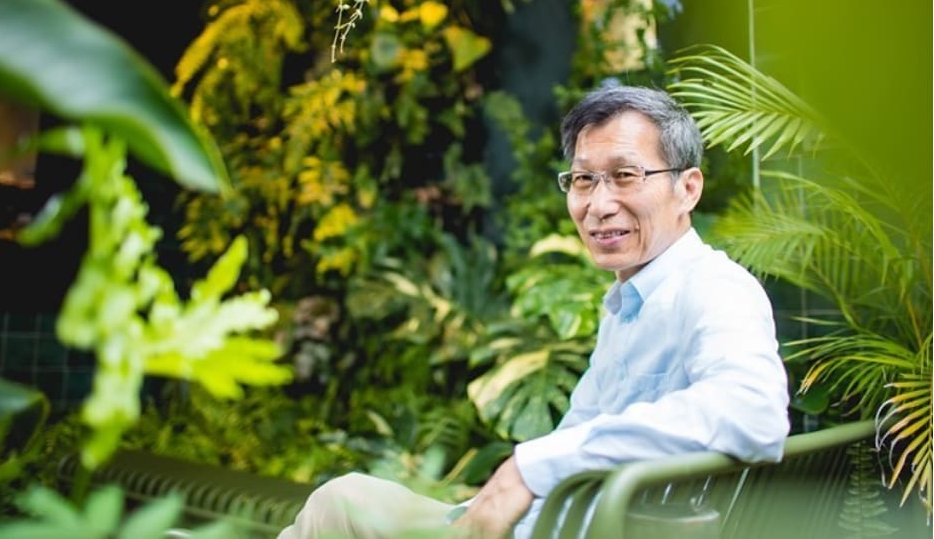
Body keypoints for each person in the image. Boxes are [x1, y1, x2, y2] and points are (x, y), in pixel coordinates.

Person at [277, 81, 791, 539]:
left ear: (688, 188)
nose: (598, 204)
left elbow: (753, 410)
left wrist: (531, 467)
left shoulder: (714, 288)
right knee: (344, 500)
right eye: (583, 180)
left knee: (341, 502)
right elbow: (576, 441)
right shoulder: (630, 305)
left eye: (625, 175)